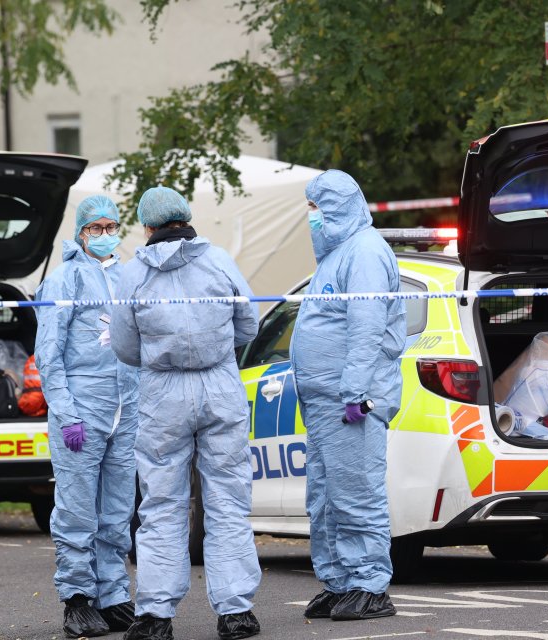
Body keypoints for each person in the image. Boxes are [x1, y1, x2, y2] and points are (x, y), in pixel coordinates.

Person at [110, 186, 262, 640]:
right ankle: (236, 611)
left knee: (160, 502)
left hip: (162, 391)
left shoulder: (133, 273)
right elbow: (249, 322)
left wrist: (162, 358)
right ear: (186, 217)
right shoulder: (218, 260)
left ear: (148, 226)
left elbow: (123, 345)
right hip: (220, 385)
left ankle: (156, 614)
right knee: (228, 500)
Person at [290, 170, 406, 621]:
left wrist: (355, 389)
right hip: (325, 403)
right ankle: (340, 582)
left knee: (356, 492)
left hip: (350, 400)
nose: (312, 216)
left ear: (338, 206)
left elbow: (366, 327)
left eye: (316, 207)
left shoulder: (366, 252)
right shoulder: (338, 255)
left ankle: (371, 585)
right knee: (324, 497)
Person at [34, 195, 140, 639]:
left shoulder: (129, 276)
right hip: (81, 409)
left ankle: (113, 594)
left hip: (126, 409)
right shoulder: (65, 279)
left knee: (117, 509)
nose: (104, 234)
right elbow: (49, 354)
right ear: (80, 232)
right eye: (95, 227)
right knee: (78, 508)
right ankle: (77, 598)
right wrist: (64, 410)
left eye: (111, 226)